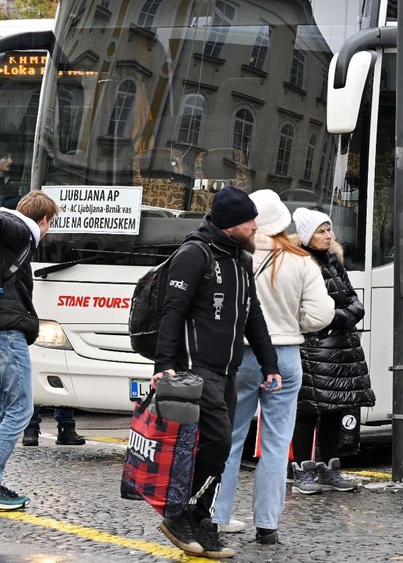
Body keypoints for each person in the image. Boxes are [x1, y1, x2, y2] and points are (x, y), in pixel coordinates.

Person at [152, 185, 281, 559]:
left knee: (217, 450)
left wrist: (269, 363)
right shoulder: (195, 254)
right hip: (196, 369)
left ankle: (200, 520)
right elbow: (172, 313)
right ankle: (180, 515)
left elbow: (253, 315)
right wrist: (164, 366)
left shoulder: (240, 258)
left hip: (228, 371)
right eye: (249, 220)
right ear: (229, 224)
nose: (256, 226)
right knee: (220, 442)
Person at [211, 191, 334, 547]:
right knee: (277, 443)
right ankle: (267, 525)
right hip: (286, 355)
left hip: (242, 355)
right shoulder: (301, 260)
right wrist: (295, 325)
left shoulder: (235, 256)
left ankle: (218, 516)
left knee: (230, 438)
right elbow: (321, 315)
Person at [0, 190, 59, 511]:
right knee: (21, 409)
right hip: (7, 336)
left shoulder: (14, 235)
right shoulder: (21, 230)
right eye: (50, 224)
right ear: (44, 219)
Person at [289, 208, 374, 494]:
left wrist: (340, 317)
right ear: (306, 235)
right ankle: (301, 470)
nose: (328, 236)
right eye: (321, 231)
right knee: (308, 411)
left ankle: (328, 469)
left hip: (340, 347)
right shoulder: (297, 261)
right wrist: (337, 318)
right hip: (313, 349)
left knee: (335, 409)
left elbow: (355, 302)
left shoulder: (334, 261)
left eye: (329, 230)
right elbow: (303, 310)